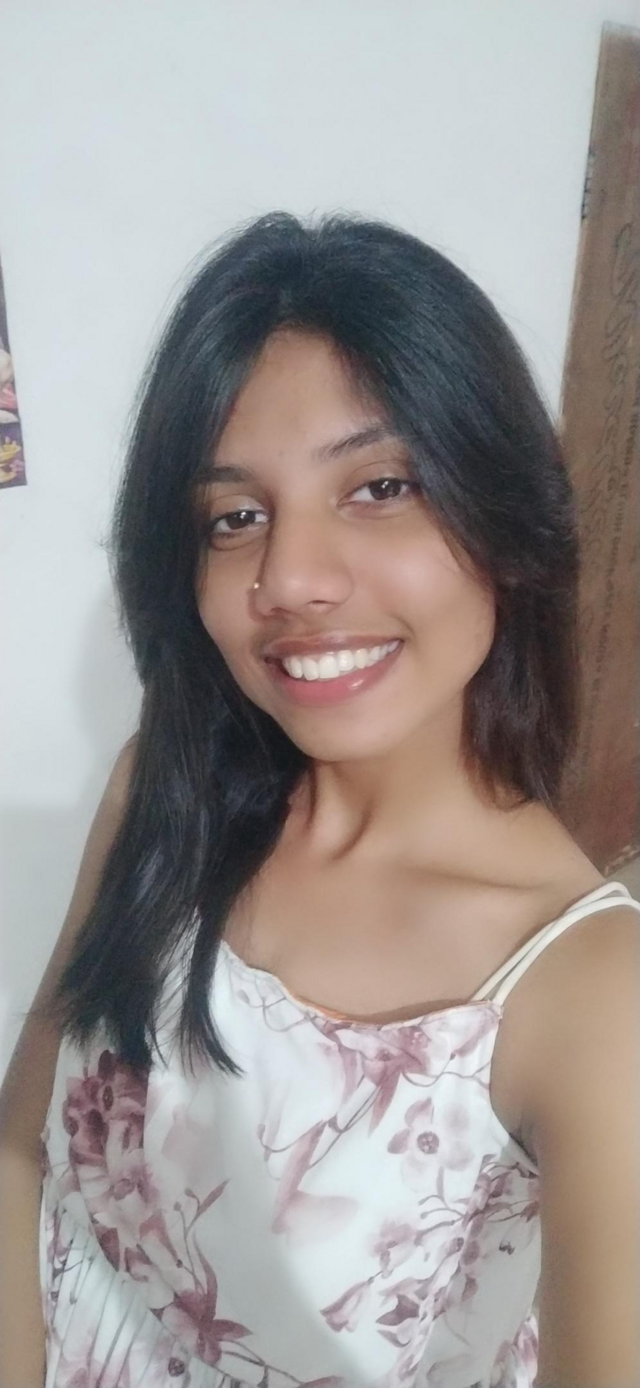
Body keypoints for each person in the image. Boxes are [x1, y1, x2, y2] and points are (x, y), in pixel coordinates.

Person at [1, 211, 638, 1388]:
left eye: (380, 485)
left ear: (505, 517)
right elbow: (23, 1148)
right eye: (234, 516)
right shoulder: (166, 789)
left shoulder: (591, 993)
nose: (289, 578)